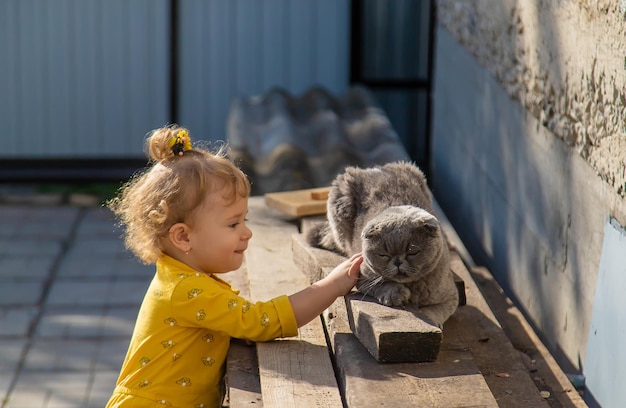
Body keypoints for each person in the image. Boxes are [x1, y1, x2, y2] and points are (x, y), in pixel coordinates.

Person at [105, 125, 363, 408]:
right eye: (233, 224)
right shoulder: (188, 289)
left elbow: (238, 321)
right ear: (183, 236)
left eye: (245, 221)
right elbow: (262, 322)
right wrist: (332, 286)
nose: (246, 233)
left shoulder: (183, 276)